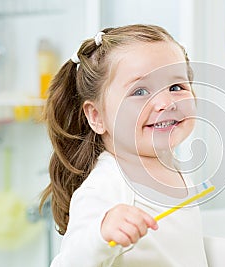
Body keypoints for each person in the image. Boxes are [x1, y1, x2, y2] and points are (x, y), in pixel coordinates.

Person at [40, 24, 208, 266]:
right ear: (96, 116)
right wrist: (101, 234)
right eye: (140, 91)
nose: (165, 102)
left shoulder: (174, 171)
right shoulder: (107, 184)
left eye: (176, 87)